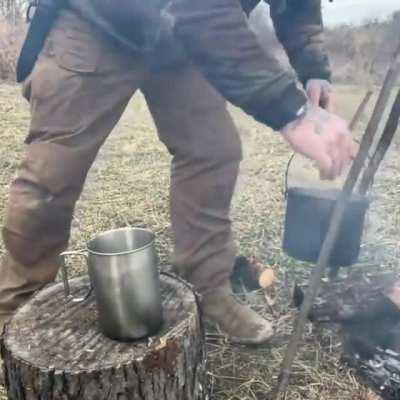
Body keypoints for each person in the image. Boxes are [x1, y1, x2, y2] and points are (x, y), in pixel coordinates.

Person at [0, 0, 355, 347]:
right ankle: (17, 303)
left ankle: (209, 289)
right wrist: (290, 110)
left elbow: (297, 5)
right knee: (52, 172)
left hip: (179, 42)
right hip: (95, 20)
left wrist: (314, 69)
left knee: (213, 151)